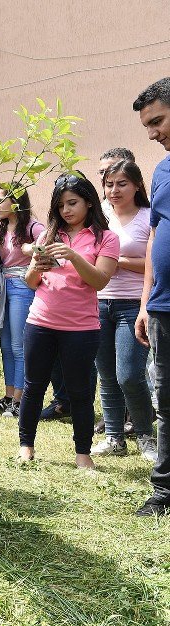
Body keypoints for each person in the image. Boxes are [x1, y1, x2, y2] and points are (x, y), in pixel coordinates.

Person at [18, 173, 118, 468]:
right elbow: (30, 282)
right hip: (40, 321)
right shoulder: (47, 236)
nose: (66, 210)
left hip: (81, 328)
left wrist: (74, 256)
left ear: (89, 201)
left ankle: (82, 453)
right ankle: (26, 445)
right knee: (34, 385)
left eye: (72, 203)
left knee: (79, 391)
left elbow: (99, 281)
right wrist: (37, 265)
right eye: (61, 205)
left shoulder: (106, 238)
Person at [91, 160, 157, 459]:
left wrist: (116, 262)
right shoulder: (99, 218)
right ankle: (115, 437)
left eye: (121, 184)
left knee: (129, 375)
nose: (114, 190)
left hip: (134, 305)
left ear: (136, 186)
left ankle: (145, 435)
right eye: (108, 184)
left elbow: (155, 263)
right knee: (106, 375)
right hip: (98, 303)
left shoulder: (148, 217)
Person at [133, 77, 170, 518]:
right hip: (162, 307)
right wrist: (145, 302)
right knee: (167, 401)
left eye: (158, 121)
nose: (153, 133)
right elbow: (156, 236)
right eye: (148, 125)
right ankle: (164, 490)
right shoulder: (162, 170)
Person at [0, 184, 42, 417]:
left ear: (16, 202)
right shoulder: (0, 227)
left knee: (19, 346)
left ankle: (20, 400)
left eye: (1, 199)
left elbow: (47, 249)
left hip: (23, 288)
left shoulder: (33, 228)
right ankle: (9, 397)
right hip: (4, 286)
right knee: (6, 345)